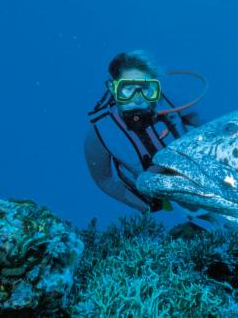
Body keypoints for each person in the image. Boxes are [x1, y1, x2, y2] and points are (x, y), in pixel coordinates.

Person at [84, 51, 204, 212]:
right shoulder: (99, 135)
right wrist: (147, 206)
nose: (138, 98)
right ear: (113, 88)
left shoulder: (175, 103)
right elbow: (104, 180)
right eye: (128, 89)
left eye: (146, 89)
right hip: (161, 201)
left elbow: (216, 131)